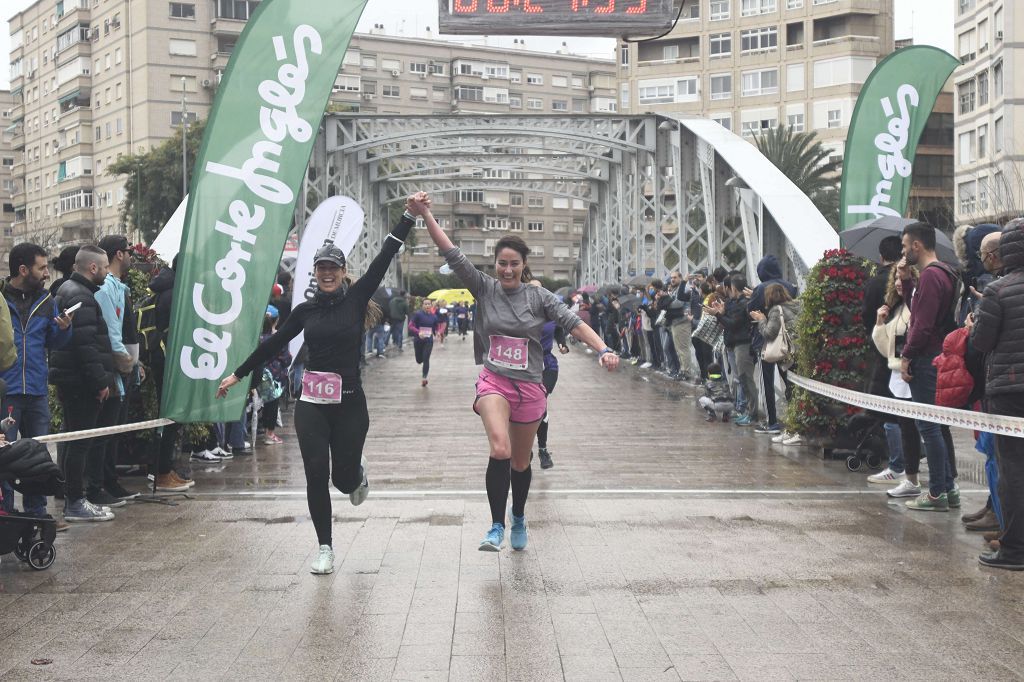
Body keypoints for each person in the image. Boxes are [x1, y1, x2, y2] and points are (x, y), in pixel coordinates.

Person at [216, 199, 417, 575]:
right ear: (315, 272)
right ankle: (325, 547)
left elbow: (386, 254)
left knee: (343, 481)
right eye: (321, 268)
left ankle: (357, 472)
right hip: (312, 403)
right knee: (314, 473)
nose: (326, 274)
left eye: (332, 268)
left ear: (342, 272)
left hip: (350, 404)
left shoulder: (357, 300)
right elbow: (272, 345)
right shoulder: (305, 311)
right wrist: (237, 374)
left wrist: (408, 216)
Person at [412, 191, 618, 552]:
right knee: (499, 448)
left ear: (524, 265)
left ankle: (518, 516)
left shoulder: (540, 298)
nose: (506, 270)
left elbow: (573, 324)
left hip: (530, 388)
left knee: (521, 463)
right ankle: (495, 526)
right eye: (501, 263)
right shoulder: (483, 288)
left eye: (513, 264)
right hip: (495, 380)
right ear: (494, 265)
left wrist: (604, 349)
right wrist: (426, 213)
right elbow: (450, 250)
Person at [0, 243, 72, 520]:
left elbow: (54, 342)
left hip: (37, 391)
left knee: (37, 454)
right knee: (4, 453)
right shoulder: (1, 299)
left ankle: (37, 512)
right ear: (23, 269)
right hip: (7, 391)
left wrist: (64, 330)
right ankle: (5, 511)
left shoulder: (47, 301)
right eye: (41, 267)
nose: (46, 273)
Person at [971, 218, 1024, 570]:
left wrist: (976, 322)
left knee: (1014, 470)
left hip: (1010, 390)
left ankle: (1015, 549)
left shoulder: (998, 290)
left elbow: (981, 344)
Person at [49, 245, 117, 522]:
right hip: (81, 381)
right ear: (92, 268)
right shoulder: (83, 297)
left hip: (70, 378)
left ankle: (72, 497)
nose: (106, 272)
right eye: (103, 267)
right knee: (80, 442)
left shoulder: (66, 289)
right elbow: (85, 346)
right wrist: (101, 381)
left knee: (72, 439)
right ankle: (76, 501)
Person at [899, 222, 960, 512]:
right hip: (935, 354)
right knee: (938, 425)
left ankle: (936, 492)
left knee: (929, 426)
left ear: (916, 246)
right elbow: (923, 311)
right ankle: (948, 487)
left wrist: (907, 355)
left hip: (926, 359)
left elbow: (922, 325)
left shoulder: (932, 277)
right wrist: (908, 283)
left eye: (904, 245)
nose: (903, 251)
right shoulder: (943, 273)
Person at [92, 235, 142, 506]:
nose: (132, 256)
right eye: (128, 251)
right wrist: (125, 363)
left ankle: (109, 482)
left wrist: (135, 364)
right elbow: (111, 331)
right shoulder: (106, 288)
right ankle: (99, 485)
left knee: (113, 432)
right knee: (104, 434)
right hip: (111, 369)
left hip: (122, 368)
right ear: (118, 254)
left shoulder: (119, 286)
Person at [870, 265, 924, 496]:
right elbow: (887, 348)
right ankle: (907, 475)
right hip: (897, 375)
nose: (899, 282)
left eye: (904, 277)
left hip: (913, 375)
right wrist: (880, 322)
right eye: (897, 278)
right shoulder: (898, 308)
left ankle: (940, 482)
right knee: (905, 427)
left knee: (923, 429)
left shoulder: (917, 305)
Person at [747, 255, 798, 435]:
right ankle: (797, 421)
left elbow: (750, 311)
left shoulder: (761, 288)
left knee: (766, 383)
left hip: (766, 344)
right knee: (791, 382)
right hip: (787, 345)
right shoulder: (791, 286)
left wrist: (754, 301)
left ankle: (772, 422)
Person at [532, 280, 569, 470]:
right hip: (525, 365)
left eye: (539, 289)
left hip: (548, 365)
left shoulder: (551, 312)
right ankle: (524, 446)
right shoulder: (522, 313)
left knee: (540, 403)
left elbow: (560, 329)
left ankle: (543, 449)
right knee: (527, 409)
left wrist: (562, 344)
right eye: (532, 288)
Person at [711, 275, 756, 425]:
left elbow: (733, 324)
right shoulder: (736, 303)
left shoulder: (742, 303)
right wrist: (722, 313)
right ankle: (748, 412)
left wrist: (718, 314)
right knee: (742, 379)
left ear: (734, 288)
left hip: (743, 344)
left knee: (746, 379)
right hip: (736, 344)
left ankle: (752, 414)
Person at [257, 305, 291, 445]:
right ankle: (269, 433)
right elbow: (286, 359)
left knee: (262, 405)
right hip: (275, 376)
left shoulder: (257, 338)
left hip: (258, 375)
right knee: (272, 403)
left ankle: (263, 429)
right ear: (276, 320)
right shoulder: (279, 337)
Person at [664, 271, 694, 381]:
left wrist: (665, 303)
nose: (672, 280)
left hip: (682, 321)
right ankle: (682, 370)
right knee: (679, 349)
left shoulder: (684, 288)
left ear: (680, 278)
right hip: (676, 322)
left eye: (675, 278)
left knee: (683, 348)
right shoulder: (674, 290)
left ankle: (686, 372)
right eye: (671, 278)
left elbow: (678, 303)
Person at [408, 298, 440, 387]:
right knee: (419, 360)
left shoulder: (434, 316)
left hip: (428, 340)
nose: (427, 306)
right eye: (425, 304)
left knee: (426, 359)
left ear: (431, 305)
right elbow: (410, 326)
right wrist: (418, 332)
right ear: (422, 305)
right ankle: (420, 360)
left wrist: (437, 333)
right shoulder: (418, 314)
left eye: (429, 304)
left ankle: (424, 378)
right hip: (418, 340)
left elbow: (436, 327)